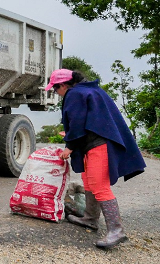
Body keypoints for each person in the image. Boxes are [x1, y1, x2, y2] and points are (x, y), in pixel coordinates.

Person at [45, 69, 145, 249]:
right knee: (89, 182)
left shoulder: (74, 94)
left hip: (98, 144)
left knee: (99, 186)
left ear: (64, 85)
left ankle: (116, 230)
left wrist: (69, 146)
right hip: (94, 143)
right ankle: (90, 218)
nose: (56, 93)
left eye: (55, 89)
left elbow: (76, 122)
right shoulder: (89, 90)